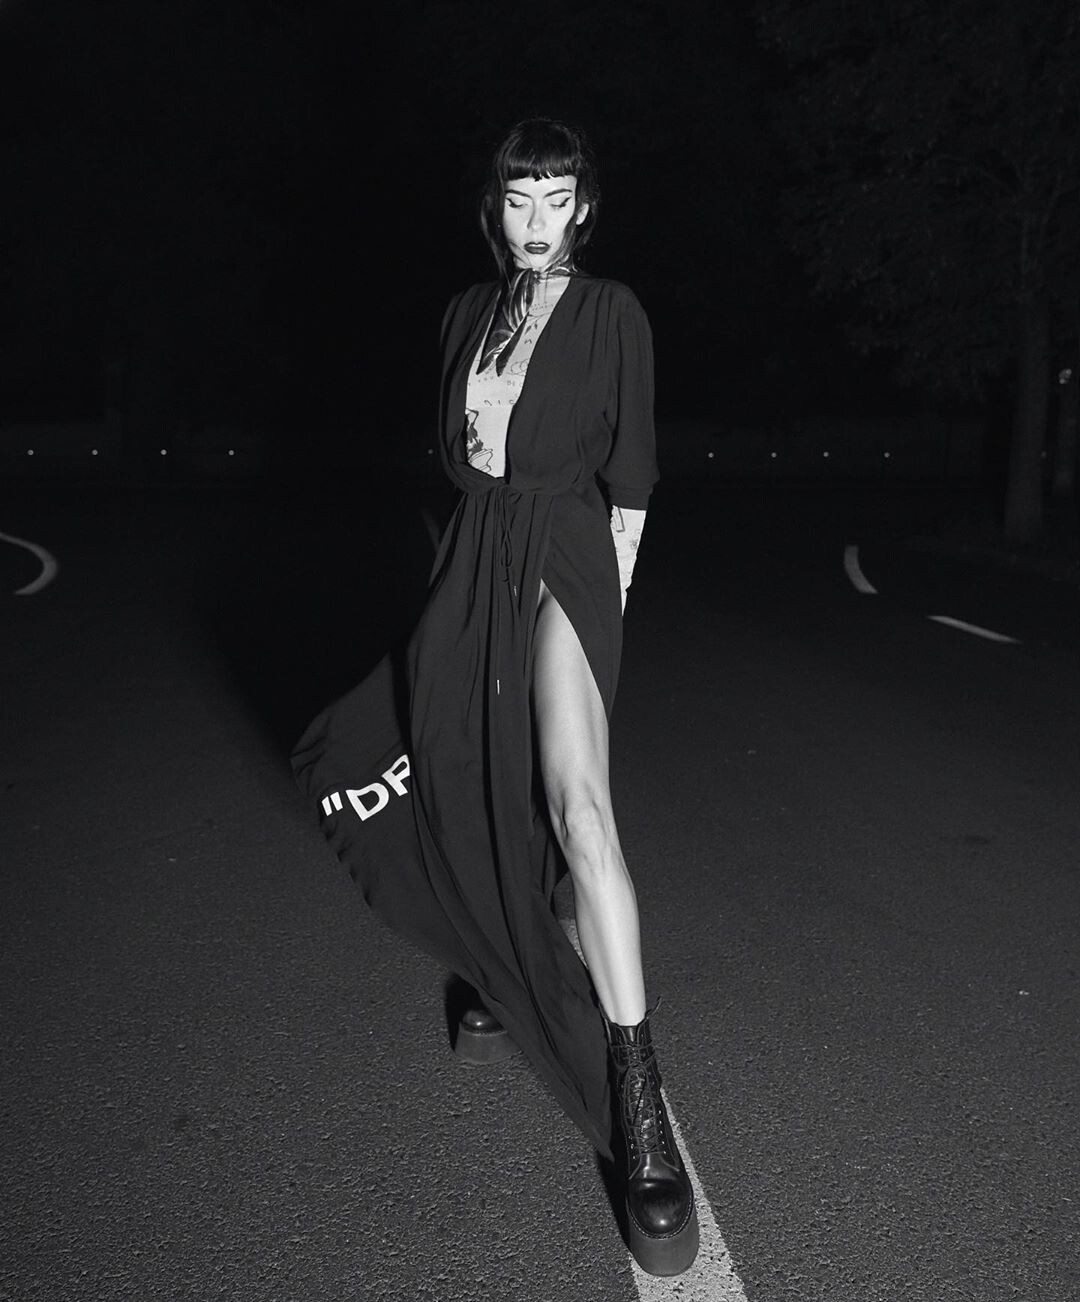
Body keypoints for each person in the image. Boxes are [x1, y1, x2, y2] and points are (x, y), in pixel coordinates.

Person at [292, 118, 699, 1277]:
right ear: (494, 208)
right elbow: (457, 457)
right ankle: (494, 959)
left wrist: (607, 604)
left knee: (577, 805)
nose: (535, 220)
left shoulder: (612, 311)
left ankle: (638, 1105)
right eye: (518, 199)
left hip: (569, 553)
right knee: (466, 772)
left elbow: (633, 473)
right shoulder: (464, 314)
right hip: (474, 555)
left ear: (585, 208)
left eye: (556, 198)